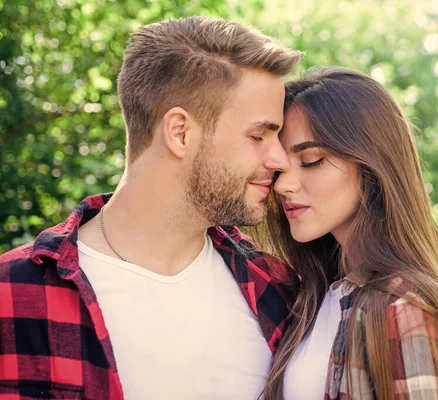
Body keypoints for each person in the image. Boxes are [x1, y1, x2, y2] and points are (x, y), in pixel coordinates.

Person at [0, 16, 302, 399]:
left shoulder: (279, 288)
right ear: (180, 133)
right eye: (258, 135)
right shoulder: (13, 293)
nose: (279, 160)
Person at [258, 67, 438, 400]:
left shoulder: (404, 307)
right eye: (280, 168)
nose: (283, 185)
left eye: (311, 160)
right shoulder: (316, 297)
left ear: (371, 165)